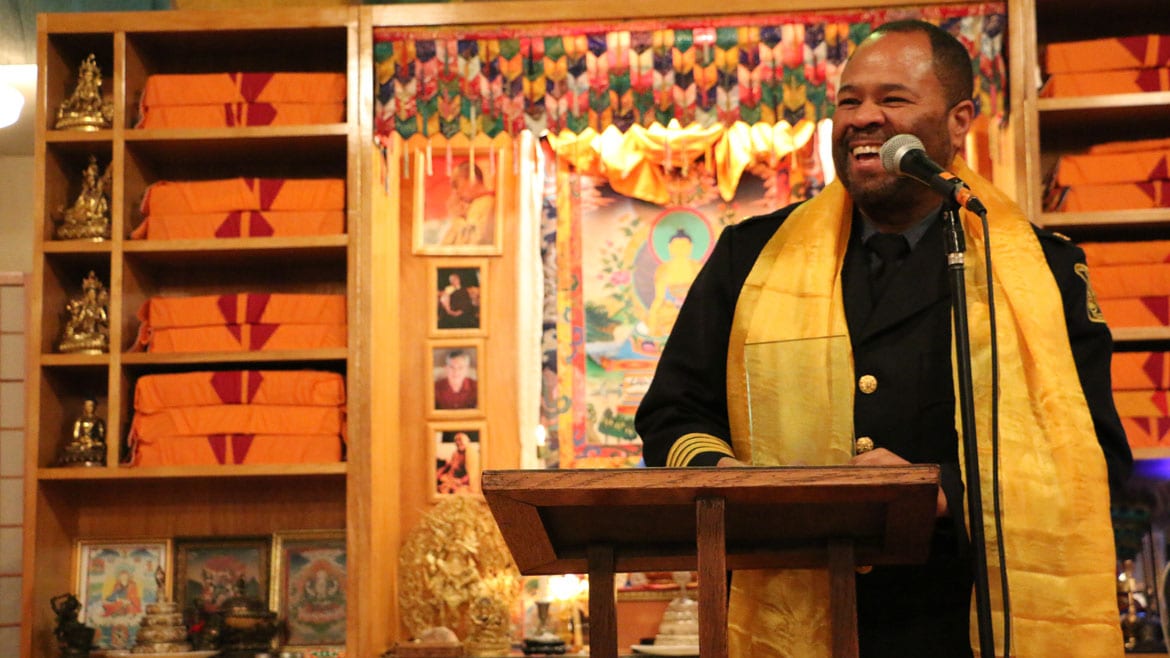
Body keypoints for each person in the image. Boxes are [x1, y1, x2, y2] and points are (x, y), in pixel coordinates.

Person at [635, 20, 1132, 658]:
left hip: (965, 621)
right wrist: (736, 484)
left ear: (958, 122)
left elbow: (1099, 463)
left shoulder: (1044, 269)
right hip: (791, 605)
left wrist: (944, 493)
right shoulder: (751, 256)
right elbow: (672, 414)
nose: (863, 118)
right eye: (849, 101)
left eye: (893, 100)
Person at [440, 161, 496, 246]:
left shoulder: (488, 205)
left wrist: (457, 218)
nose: (456, 191)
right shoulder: (475, 206)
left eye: (456, 184)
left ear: (471, 178)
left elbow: (470, 247)